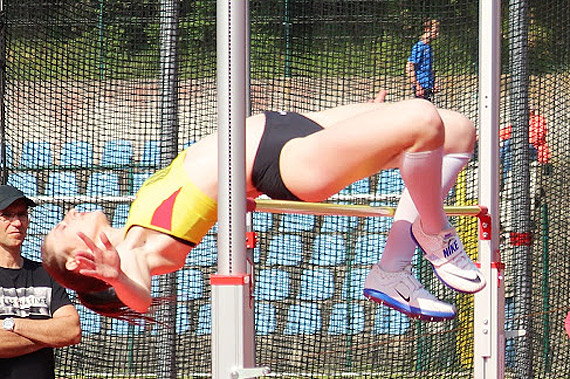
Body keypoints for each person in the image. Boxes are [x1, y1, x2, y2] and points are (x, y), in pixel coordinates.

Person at [42, 96, 485, 322]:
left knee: (458, 132)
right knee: (423, 119)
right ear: (83, 259)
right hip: (282, 162)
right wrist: (116, 275)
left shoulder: (133, 222)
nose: (69, 216)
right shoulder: (140, 252)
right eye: (63, 228)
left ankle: (394, 266)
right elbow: (138, 301)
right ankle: (434, 232)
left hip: (284, 128)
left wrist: (356, 114)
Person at [0, 185, 81, 379]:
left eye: (22, 214)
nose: (17, 222)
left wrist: (13, 325)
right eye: (7, 215)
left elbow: (71, 331)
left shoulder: (45, 275)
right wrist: (47, 333)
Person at [406, 19, 439, 102]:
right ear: (427, 29)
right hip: (421, 86)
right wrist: (417, 86)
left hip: (428, 86)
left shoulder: (429, 47)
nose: (437, 34)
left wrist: (434, 82)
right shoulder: (419, 47)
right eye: (435, 31)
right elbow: (409, 67)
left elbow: (430, 68)